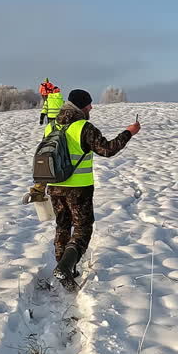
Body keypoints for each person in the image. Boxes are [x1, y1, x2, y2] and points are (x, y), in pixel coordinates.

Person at [47, 88, 140, 289]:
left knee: (62, 226)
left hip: (54, 186)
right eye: (88, 104)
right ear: (81, 106)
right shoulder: (83, 127)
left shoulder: (51, 127)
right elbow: (107, 149)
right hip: (79, 189)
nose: (91, 107)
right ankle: (65, 268)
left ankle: (64, 270)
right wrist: (129, 132)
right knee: (82, 228)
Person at [24, 79, 66, 205]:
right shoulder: (62, 101)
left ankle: (38, 190)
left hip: (67, 184)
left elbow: (46, 156)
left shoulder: (52, 127)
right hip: (73, 186)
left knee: (46, 155)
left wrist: (38, 189)